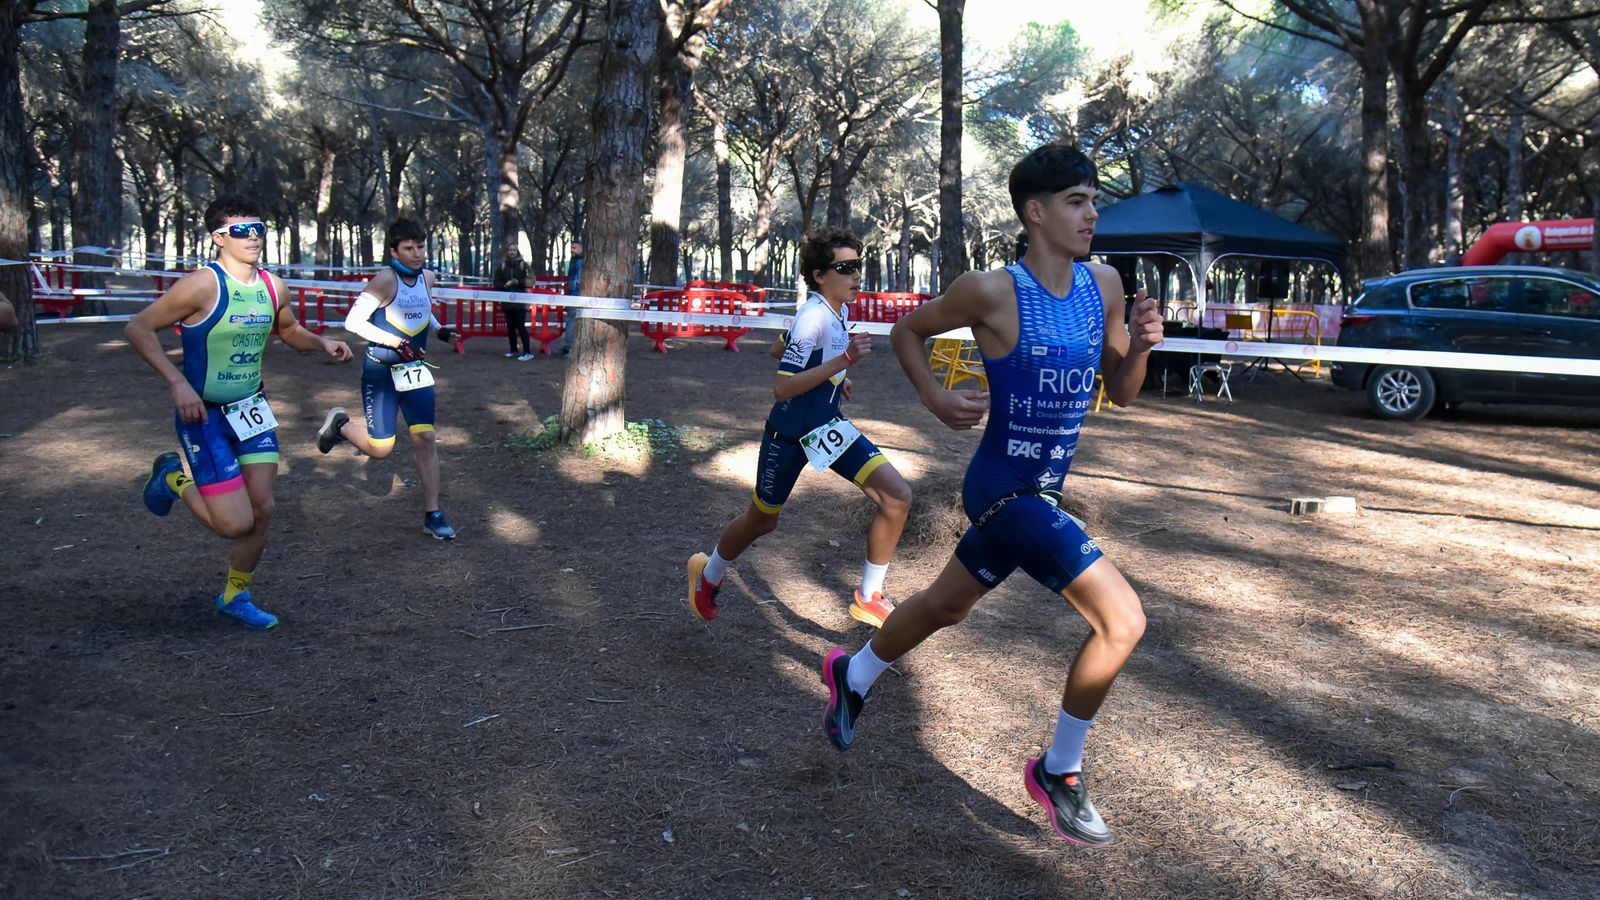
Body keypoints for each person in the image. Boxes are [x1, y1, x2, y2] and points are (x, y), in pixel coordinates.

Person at [818, 144, 1165, 847]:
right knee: (1123, 621)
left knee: (944, 604)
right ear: (1035, 212)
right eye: (1076, 201)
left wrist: (1145, 349)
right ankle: (1059, 771)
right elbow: (908, 330)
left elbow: (1121, 394)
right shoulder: (992, 290)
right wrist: (935, 395)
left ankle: (852, 672)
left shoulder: (1105, 285)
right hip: (1002, 488)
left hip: (1047, 489)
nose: (1092, 213)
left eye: (1094, 199)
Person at [127, 195, 354, 630]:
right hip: (204, 416)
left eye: (258, 229)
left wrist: (321, 342)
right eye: (240, 231)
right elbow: (137, 327)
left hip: (252, 408)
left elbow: (287, 330)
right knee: (234, 525)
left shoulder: (273, 285)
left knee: (263, 508)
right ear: (217, 238)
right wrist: (177, 384)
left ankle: (236, 595)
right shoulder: (202, 286)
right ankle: (173, 477)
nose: (252, 238)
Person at [687, 226, 912, 628]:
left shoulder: (834, 310)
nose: (857, 274)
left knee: (896, 496)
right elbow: (781, 387)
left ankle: (869, 595)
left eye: (858, 265)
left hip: (826, 428)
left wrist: (833, 379)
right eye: (846, 267)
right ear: (820, 275)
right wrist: (842, 363)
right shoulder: (813, 316)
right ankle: (708, 574)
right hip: (788, 438)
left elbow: (781, 347)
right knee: (762, 521)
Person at [314, 218, 460, 540]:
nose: (417, 253)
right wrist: (393, 341)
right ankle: (339, 424)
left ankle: (433, 514)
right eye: (409, 248)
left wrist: (439, 330)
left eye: (420, 246)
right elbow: (354, 322)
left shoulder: (428, 277)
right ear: (394, 250)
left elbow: (423, 309)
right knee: (381, 450)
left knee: (426, 439)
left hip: (415, 371)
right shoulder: (385, 280)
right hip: (382, 372)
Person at [494, 245, 534, 360]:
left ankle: (527, 352)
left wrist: (519, 282)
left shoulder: (524, 265)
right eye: (510, 250)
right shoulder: (502, 266)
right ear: (507, 252)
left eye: (514, 250)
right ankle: (513, 349)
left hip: (521, 302)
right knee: (510, 326)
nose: (512, 252)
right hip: (507, 302)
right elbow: (496, 282)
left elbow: (532, 280)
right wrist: (504, 285)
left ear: (517, 252)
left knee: (520, 326)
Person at [560, 239, 582, 356]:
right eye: (572, 247)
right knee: (571, 321)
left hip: (576, 296)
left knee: (571, 321)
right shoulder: (574, 261)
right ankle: (569, 347)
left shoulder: (580, 262)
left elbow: (577, 280)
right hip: (573, 295)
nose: (572, 250)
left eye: (575, 247)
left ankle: (569, 348)